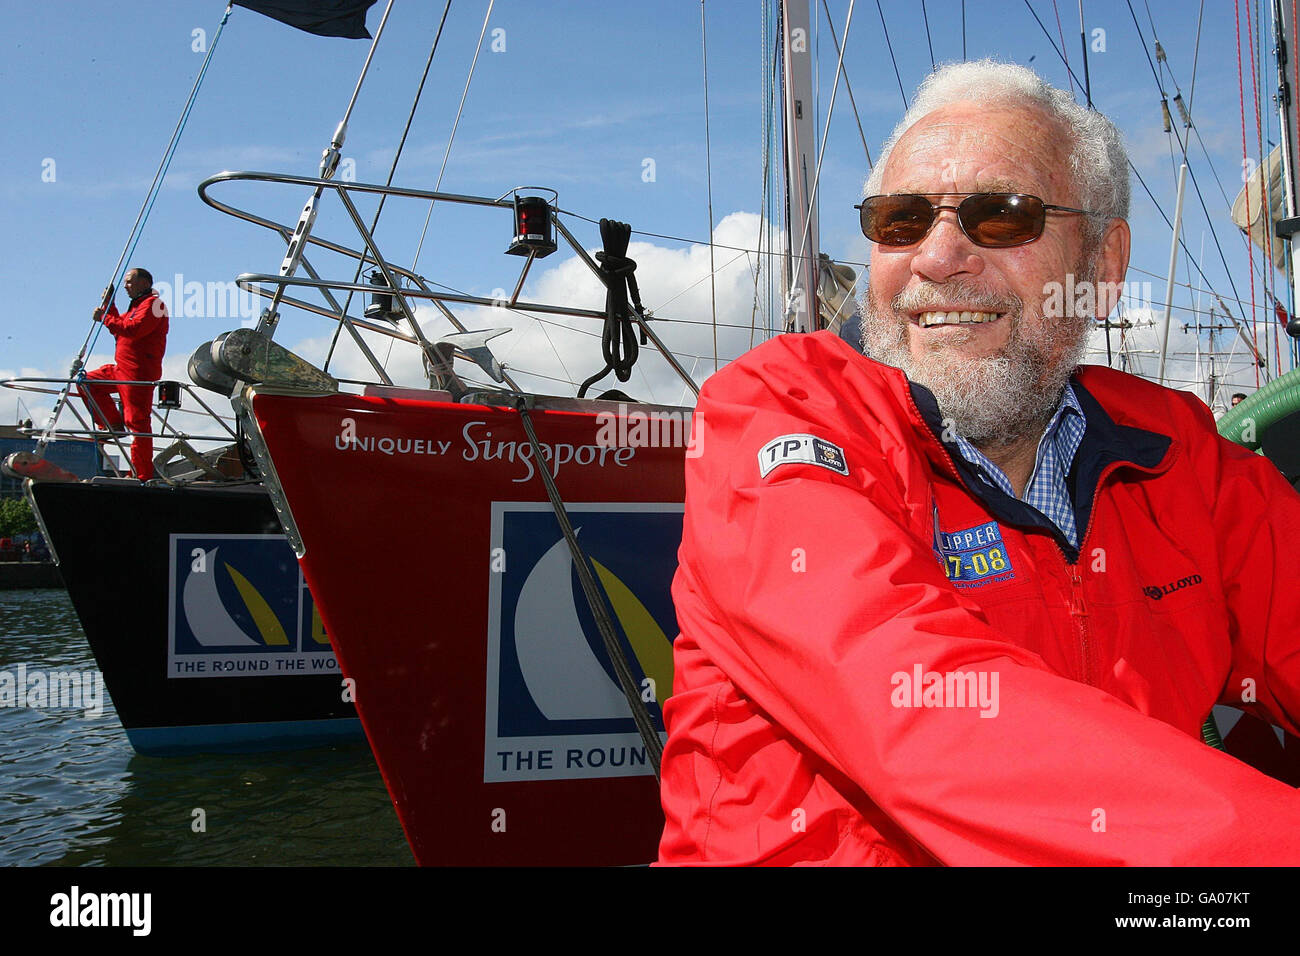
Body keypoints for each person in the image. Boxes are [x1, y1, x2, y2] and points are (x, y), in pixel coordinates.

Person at [657, 60, 1300, 865]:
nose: (938, 255)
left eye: (1001, 216)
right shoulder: (775, 415)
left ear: (1102, 263)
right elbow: (912, 702)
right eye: (901, 218)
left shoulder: (1176, 452)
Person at [80, 267, 169, 480]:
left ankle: (141, 474)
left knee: (137, 422)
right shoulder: (137, 306)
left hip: (138, 373)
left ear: (145, 283)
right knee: (86, 382)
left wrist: (105, 317)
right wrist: (109, 305)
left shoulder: (154, 305)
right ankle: (112, 424)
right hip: (121, 369)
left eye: (130, 281)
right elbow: (122, 328)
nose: (125, 285)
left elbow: (132, 329)